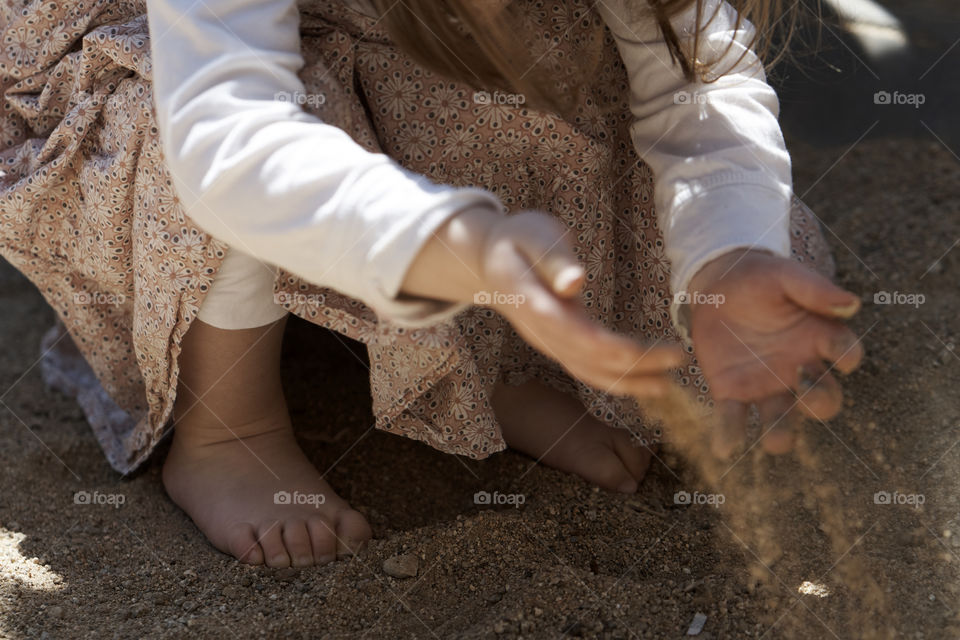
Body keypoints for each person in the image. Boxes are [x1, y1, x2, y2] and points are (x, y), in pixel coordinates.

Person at [0, 0, 863, 568]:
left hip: (407, 52)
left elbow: (694, 89)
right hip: (195, 87)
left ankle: (495, 363)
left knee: (534, 59)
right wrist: (438, 241)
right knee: (174, 109)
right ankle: (229, 428)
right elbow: (229, 143)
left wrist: (727, 257)